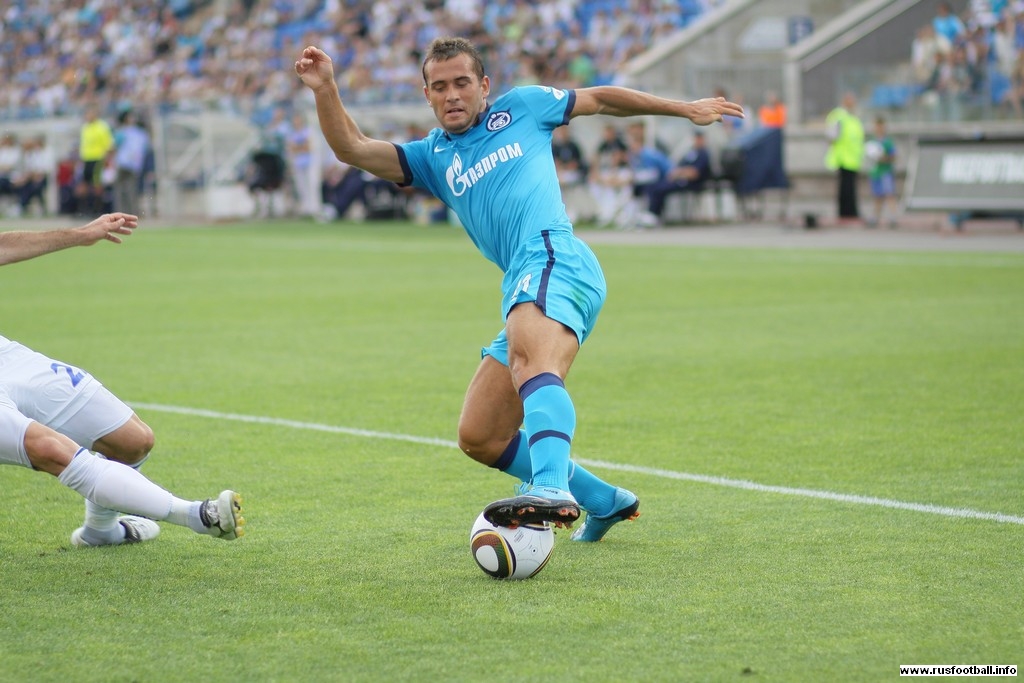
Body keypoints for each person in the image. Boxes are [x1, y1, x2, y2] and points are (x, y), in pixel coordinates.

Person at [296, 38, 743, 537]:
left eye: (462, 83)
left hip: (554, 256)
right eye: (439, 87)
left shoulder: (524, 107)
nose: (452, 95)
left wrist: (684, 109)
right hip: (524, 277)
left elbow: (600, 99)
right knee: (481, 434)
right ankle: (605, 501)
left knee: (534, 364)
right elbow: (352, 148)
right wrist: (326, 88)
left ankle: (551, 487)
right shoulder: (432, 156)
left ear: (484, 85)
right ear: (427, 95)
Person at [0, 213, 245, 547]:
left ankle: (100, 531)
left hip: (7, 359)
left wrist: (80, 234)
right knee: (49, 449)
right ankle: (199, 516)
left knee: (132, 441)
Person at [638, 130, 712, 227]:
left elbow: (694, 173)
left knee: (660, 189)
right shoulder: (691, 152)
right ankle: (653, 215)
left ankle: (654, 215)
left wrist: (679, 173)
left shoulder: (703, 154)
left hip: (692, 183)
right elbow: (680, 167)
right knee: (653, 186)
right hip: (680, 179)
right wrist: (677, 173)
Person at [824, 91, 864, 223]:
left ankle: (851, 212)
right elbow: (832, 135)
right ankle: (845, 213)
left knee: (850, 188)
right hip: (843, 158)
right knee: (845, 188)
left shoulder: (853, 117)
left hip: (852, 159)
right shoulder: (839, 116)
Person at [112, 109, 151, 216]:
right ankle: (132, 212)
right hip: (134, 164)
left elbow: (115, 146)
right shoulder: (141, 133)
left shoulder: (122, 132)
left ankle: (121, 212)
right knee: (131, 189)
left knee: (121, 189)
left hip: (123, 162)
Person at [78, 104, 115, 215]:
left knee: (97, 186)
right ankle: (85, 210)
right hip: (86, 159)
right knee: (84, 185)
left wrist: (107, 160)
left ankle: (97, 210)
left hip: (98, 158)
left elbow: (109, 145)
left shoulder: (102, 127)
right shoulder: (85, 127)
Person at [865, 115, 898, 228]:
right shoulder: (872, 141)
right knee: (877, 196)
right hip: (875, 172)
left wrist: (883, 158)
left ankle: (893, 216)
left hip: (885, 172)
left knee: (889, 194)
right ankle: (875, 217)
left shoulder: (887, 142)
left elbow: (893, 156)